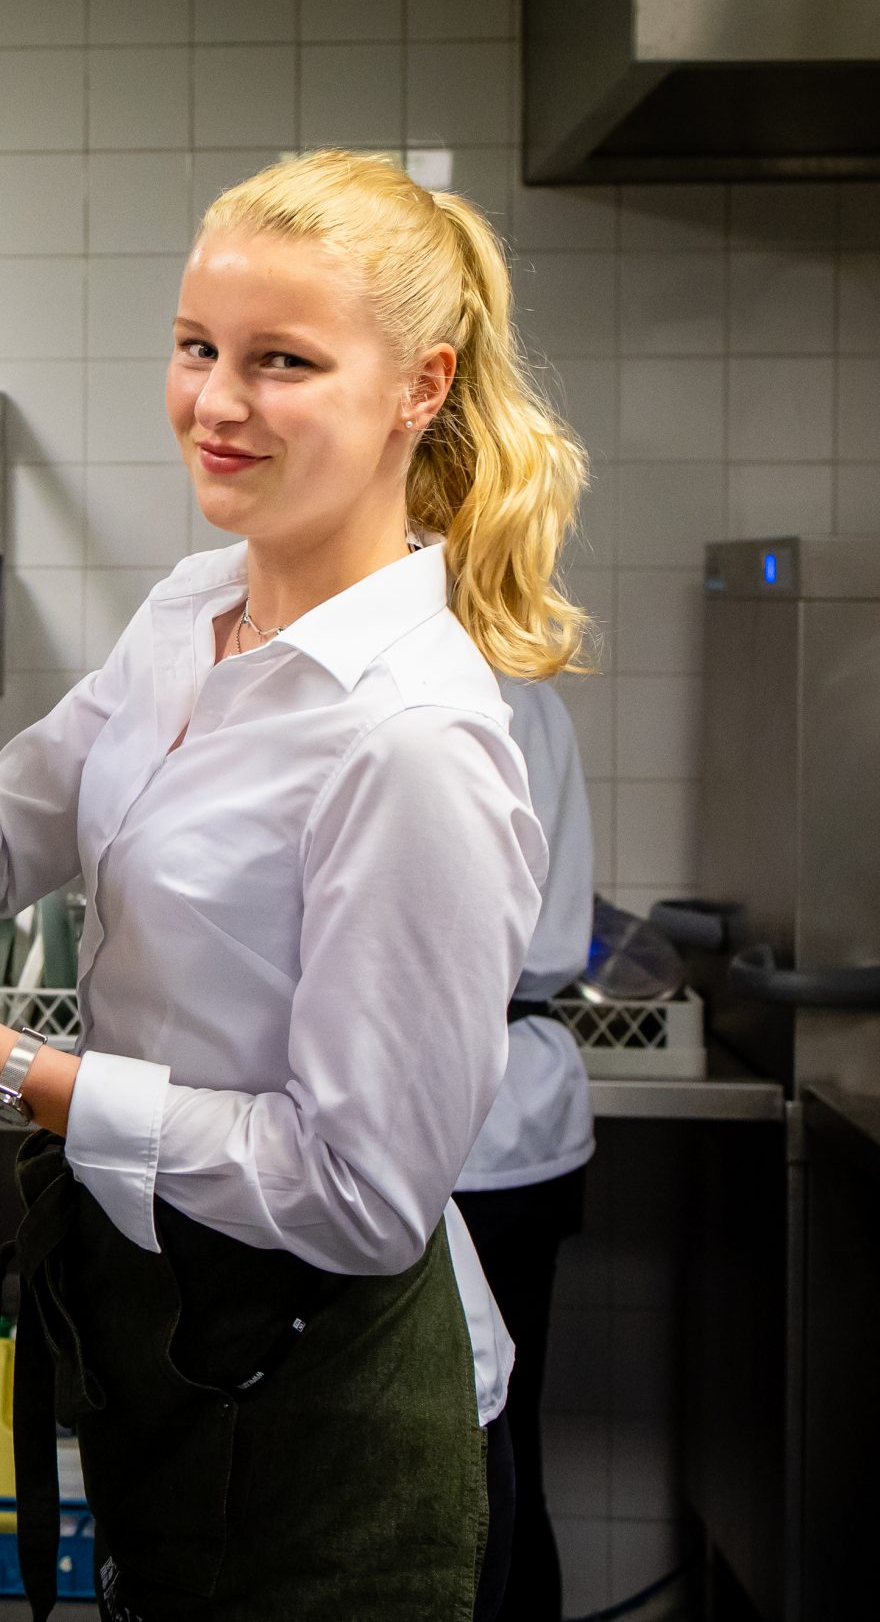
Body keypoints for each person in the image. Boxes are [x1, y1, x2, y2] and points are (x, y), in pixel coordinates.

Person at [0, 149, 589, 1622]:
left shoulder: (412, 739)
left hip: (331, 1417)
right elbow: (31, 809)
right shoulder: (198, 607)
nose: (217, 402)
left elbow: (360, 1195)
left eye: (282, 361)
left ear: (419, 388)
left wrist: (0, 1066)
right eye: (197, 348)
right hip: (179, 1355)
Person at [457, 677, 597, 1622]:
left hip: (467, 1124)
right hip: (526, 1124)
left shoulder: (437, 687)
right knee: (506, 1451)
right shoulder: (534, 700)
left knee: (464, 1461)